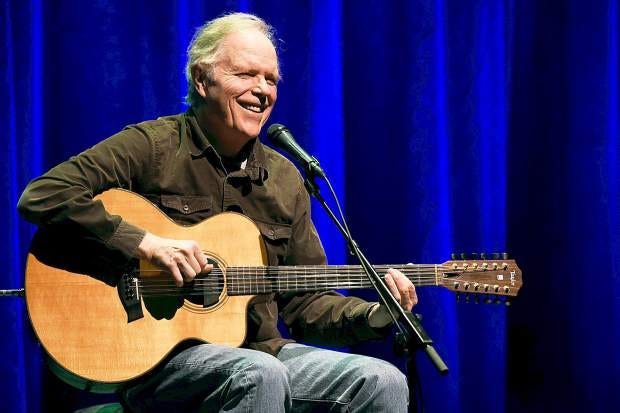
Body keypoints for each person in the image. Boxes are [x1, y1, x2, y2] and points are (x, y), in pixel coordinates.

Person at [18, 12, 417, 413]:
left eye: (272, 79)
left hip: (262, 352)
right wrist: (145, 244)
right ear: (201, 80)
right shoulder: (152, 146)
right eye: (246, 75)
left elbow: (307, 307)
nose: (263, 90)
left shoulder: (285, 178)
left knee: (382, 381)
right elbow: (45, 194)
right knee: (258, 374)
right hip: (159, 363)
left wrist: (379, 314)